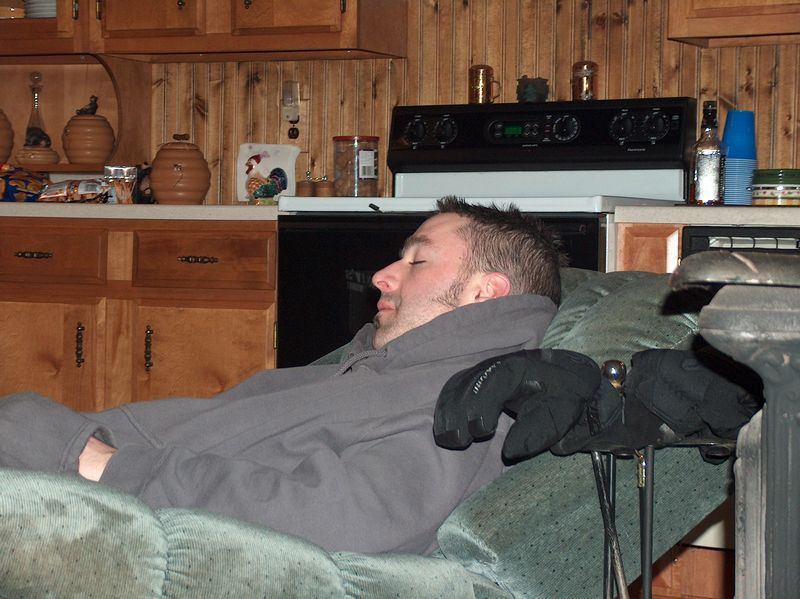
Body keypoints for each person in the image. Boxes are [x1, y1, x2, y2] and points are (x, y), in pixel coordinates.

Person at [0, 196, 564, 555]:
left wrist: (108, 465)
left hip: (98, 495)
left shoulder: (471, 403)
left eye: (416, 260)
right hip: (71, 455)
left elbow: (345, 519)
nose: (381, 276)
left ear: (484, 291)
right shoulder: (378, 369)